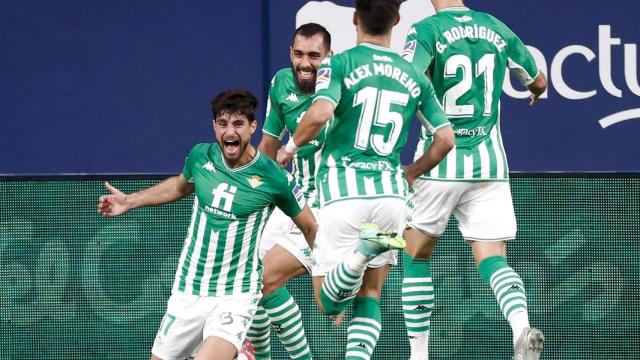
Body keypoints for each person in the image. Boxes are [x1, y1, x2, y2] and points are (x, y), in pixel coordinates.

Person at [277, 1, 454, 359]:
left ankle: (360, 253)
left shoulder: (339, 64)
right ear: (398, 20)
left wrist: (291, 146)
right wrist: (411, 172)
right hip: (391, 197)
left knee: (328, 303)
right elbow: (446, 139)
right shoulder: (415, 74)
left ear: (355, 18)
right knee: (369, 295)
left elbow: (322, 110)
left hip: (343, 194)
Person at [97, 89, 318, 360]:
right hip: (189, 288)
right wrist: (129, 201)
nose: (229, 132)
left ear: (252, 126)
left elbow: (309, 226)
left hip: (235, 295)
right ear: (214, 126)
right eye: (223, 124)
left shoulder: (273, 177)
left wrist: (324, 279)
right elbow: (179, 186)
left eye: (238, 124)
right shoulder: (200, 157)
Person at [400, 1, 548, 359]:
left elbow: (407, 83)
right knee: (493, 257)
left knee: (416, 255)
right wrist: (535, 92)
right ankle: (520, 327)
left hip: (439, 163)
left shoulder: (426, 30)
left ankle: (419, 356)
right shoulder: (495, 26)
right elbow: (539, 80)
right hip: (489, 166)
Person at [246, 23, 332, 360]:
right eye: (299, 54)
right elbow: (267, 146)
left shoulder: (341, 87)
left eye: (314, 55)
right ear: (290, 54)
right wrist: (251, 192)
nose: (305, 63)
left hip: (329, 207)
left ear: (329, 57)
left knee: (264, 279)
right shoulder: (281, 82)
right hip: (293, 198)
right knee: (248, 279)